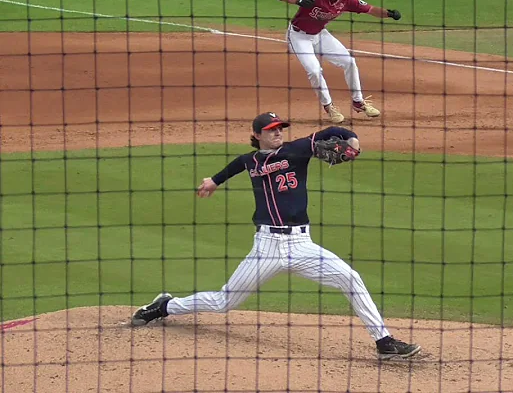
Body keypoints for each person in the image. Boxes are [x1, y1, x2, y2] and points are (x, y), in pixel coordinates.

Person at [131, 112, 422, 360]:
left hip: (301, 245)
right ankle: (164, 306)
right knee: (224, 302)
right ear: (257, 135)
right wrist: (214, 181)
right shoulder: (250, 160)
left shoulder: (297, 149)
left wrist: (351, 138)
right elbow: (236, 165)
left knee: (351, 278)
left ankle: (384, 342)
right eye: (271, 130)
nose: (278, 133)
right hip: (266, 248)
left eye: (280, 128)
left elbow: (332, 131)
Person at [276, 0, 402, 123]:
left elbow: (370, 9)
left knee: (349, 62)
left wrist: (389, 13)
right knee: (314, 71)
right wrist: (298, 0)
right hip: (298, 36)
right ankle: (329, 107)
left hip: (320, 35)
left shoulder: (347, 0)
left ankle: (358, 102)